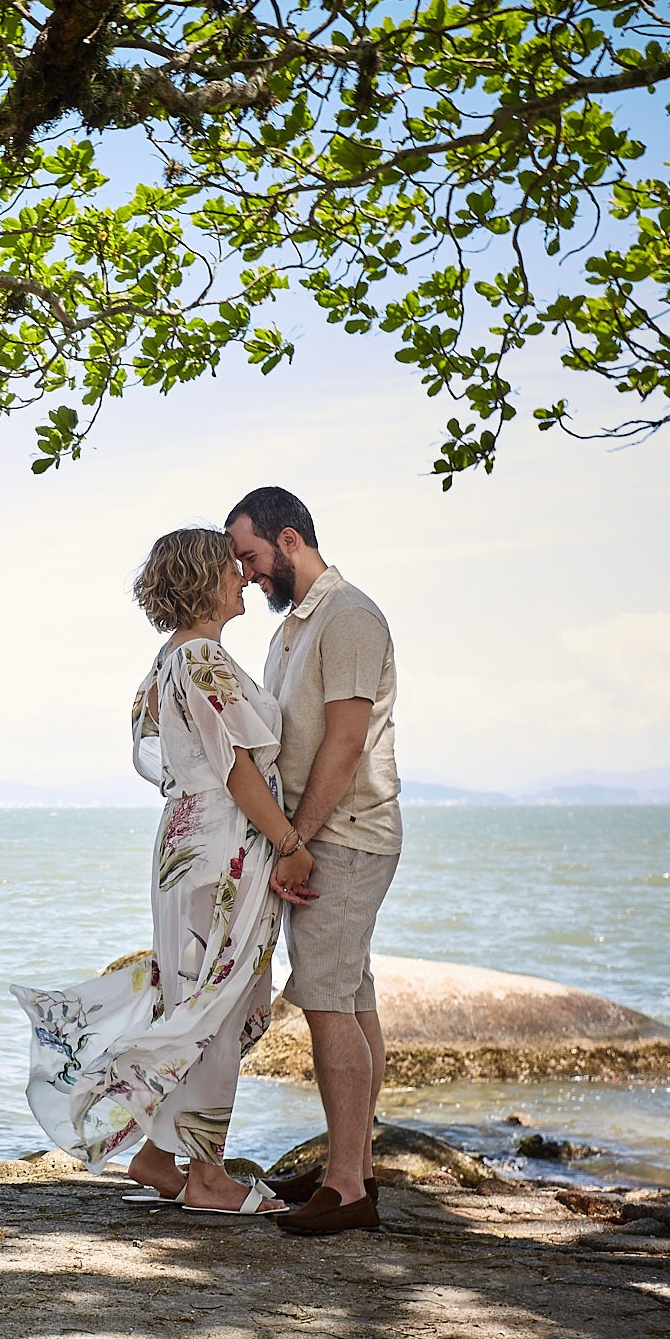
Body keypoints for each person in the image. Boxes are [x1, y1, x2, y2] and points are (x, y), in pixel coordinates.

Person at [13, 528, 315, 1215]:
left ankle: (155, 1154)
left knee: (193, 995)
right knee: (215, 1002)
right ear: (204, 579)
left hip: (186, 845)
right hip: (222, 846)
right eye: (232, 569)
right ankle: (207, 1178)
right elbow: (236, 766)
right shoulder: (203, 656)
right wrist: (290, 841)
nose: (244, 577)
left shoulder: (167, 659)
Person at [225, 487, 401, 1237]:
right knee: (353, 997)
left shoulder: (350, 616)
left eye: (252, 558)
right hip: (321, 831)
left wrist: (296, 840)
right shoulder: (292, 629)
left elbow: (346, 741)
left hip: (344, 834)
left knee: (328, 999)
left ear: (289, 539)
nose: (248, 575)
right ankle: (352, 1168)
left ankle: (348, 1188)